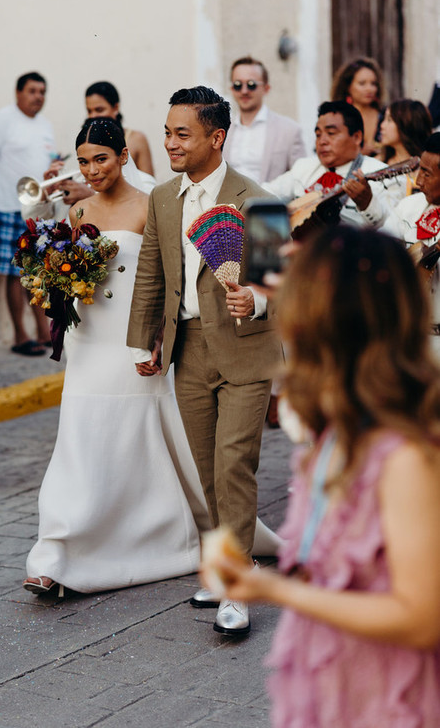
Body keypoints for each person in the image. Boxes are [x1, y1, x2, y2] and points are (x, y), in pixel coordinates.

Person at [201, 225, 440, 727]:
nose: (286, 322)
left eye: (300, 308)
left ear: (335, 325)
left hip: (386, 697)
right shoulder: (334, 432)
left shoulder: (404, 458)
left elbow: (422, 619)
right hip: (329, 681)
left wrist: (271, 590)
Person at [23, 117, 210, 597]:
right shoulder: (78, 213)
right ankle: (55, 553)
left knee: (132, 440)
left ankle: (158, 535)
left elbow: (173, 280)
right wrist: (52, 286)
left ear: (124, 156)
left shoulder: (152, 207)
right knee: (78, 442)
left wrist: (160, 341)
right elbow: (67, 277)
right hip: (87, 343)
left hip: (132, 341)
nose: (91, 170)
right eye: (83, 161)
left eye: (101, 159)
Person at [127, 86, 283, 637]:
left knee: (234, 464)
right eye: (167, 132)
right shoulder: (163, 199)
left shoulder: (258, 198)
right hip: (188, 351)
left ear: (216, 138)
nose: (169, 142)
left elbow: (278, 279)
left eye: (181, 133)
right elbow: (152, 273)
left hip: (246, 351)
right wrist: (149, 342)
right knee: (207, 470)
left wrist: (256, 297)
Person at [0, 72, 56, 356]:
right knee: (14, 273)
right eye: (32, 90)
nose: (38, 96)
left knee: (36, 271)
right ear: (18, 92)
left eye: (42, 91)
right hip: (7, 207)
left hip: (37, 211)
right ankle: (21, 336)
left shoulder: (44, 125)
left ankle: (42, 331)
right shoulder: (3, 119)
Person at [265, 101, 391, 231]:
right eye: (318, 135)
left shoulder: (382, 173)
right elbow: (265, 193)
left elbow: (392, 229)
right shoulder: (303, 167)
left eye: (331, 133)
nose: (322, 141)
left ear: (357, 137)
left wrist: (367, 203)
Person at [384, 133, 440, 358]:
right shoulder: (408, 207)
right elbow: (380, 253)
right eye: (420, 170)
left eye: (427, 173)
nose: (418, 181)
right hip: (412, 340)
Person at [222, 56, 306, 182]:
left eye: (251, 85)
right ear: (232, 89)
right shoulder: (222, 130)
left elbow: (301, 178)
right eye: (238, 85)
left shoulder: (289, 130)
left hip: (268, 200)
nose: (244, 91)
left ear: (266, 88)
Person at [85, 81, 154, 175]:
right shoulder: (86, 140)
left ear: (115, 107)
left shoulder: (136, 139)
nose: (93, 116)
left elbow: (149, 184)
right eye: (89, 111)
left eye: (99, 110)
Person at [331, 56, 384, 156]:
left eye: (373, 84)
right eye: (362, 83)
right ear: (348, 87)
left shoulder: (386, 116)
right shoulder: (336, 117)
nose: (369, 89)